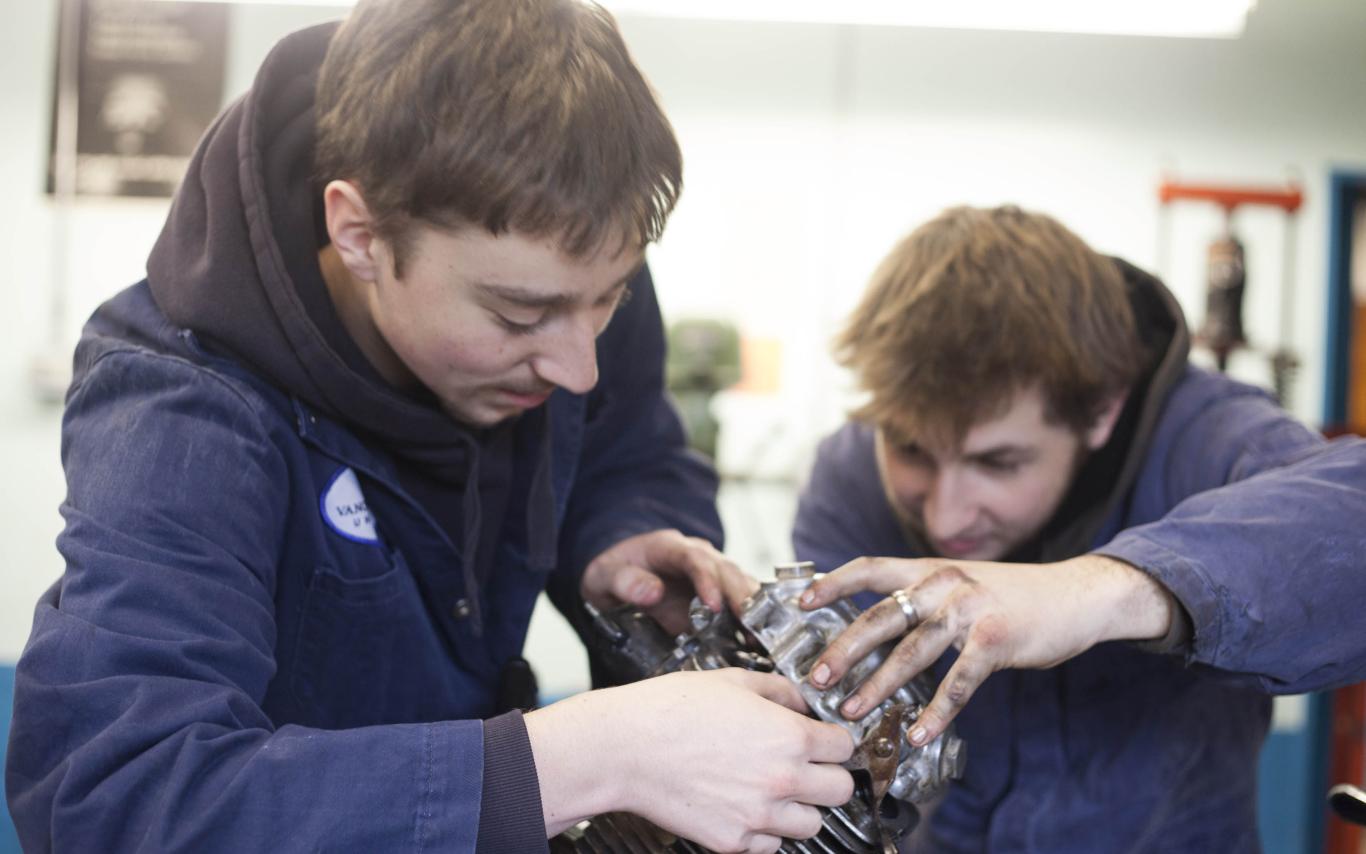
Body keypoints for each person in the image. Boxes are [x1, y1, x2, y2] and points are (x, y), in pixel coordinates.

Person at [5, 2, 855, 852]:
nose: (578, 367)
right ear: (360, 235)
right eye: (520, 317)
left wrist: (618, 538)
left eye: (612, 297)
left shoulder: (560, 274)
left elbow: (624, 447)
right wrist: (584, 759)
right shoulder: (183, 414)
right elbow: (117, 800)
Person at [792, 205, 1366, 852]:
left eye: (997, 463)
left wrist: (1103, 589)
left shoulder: (1204, 439)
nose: (943, 516)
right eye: (912, 451)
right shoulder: (849, 475)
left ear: (1101, 411)